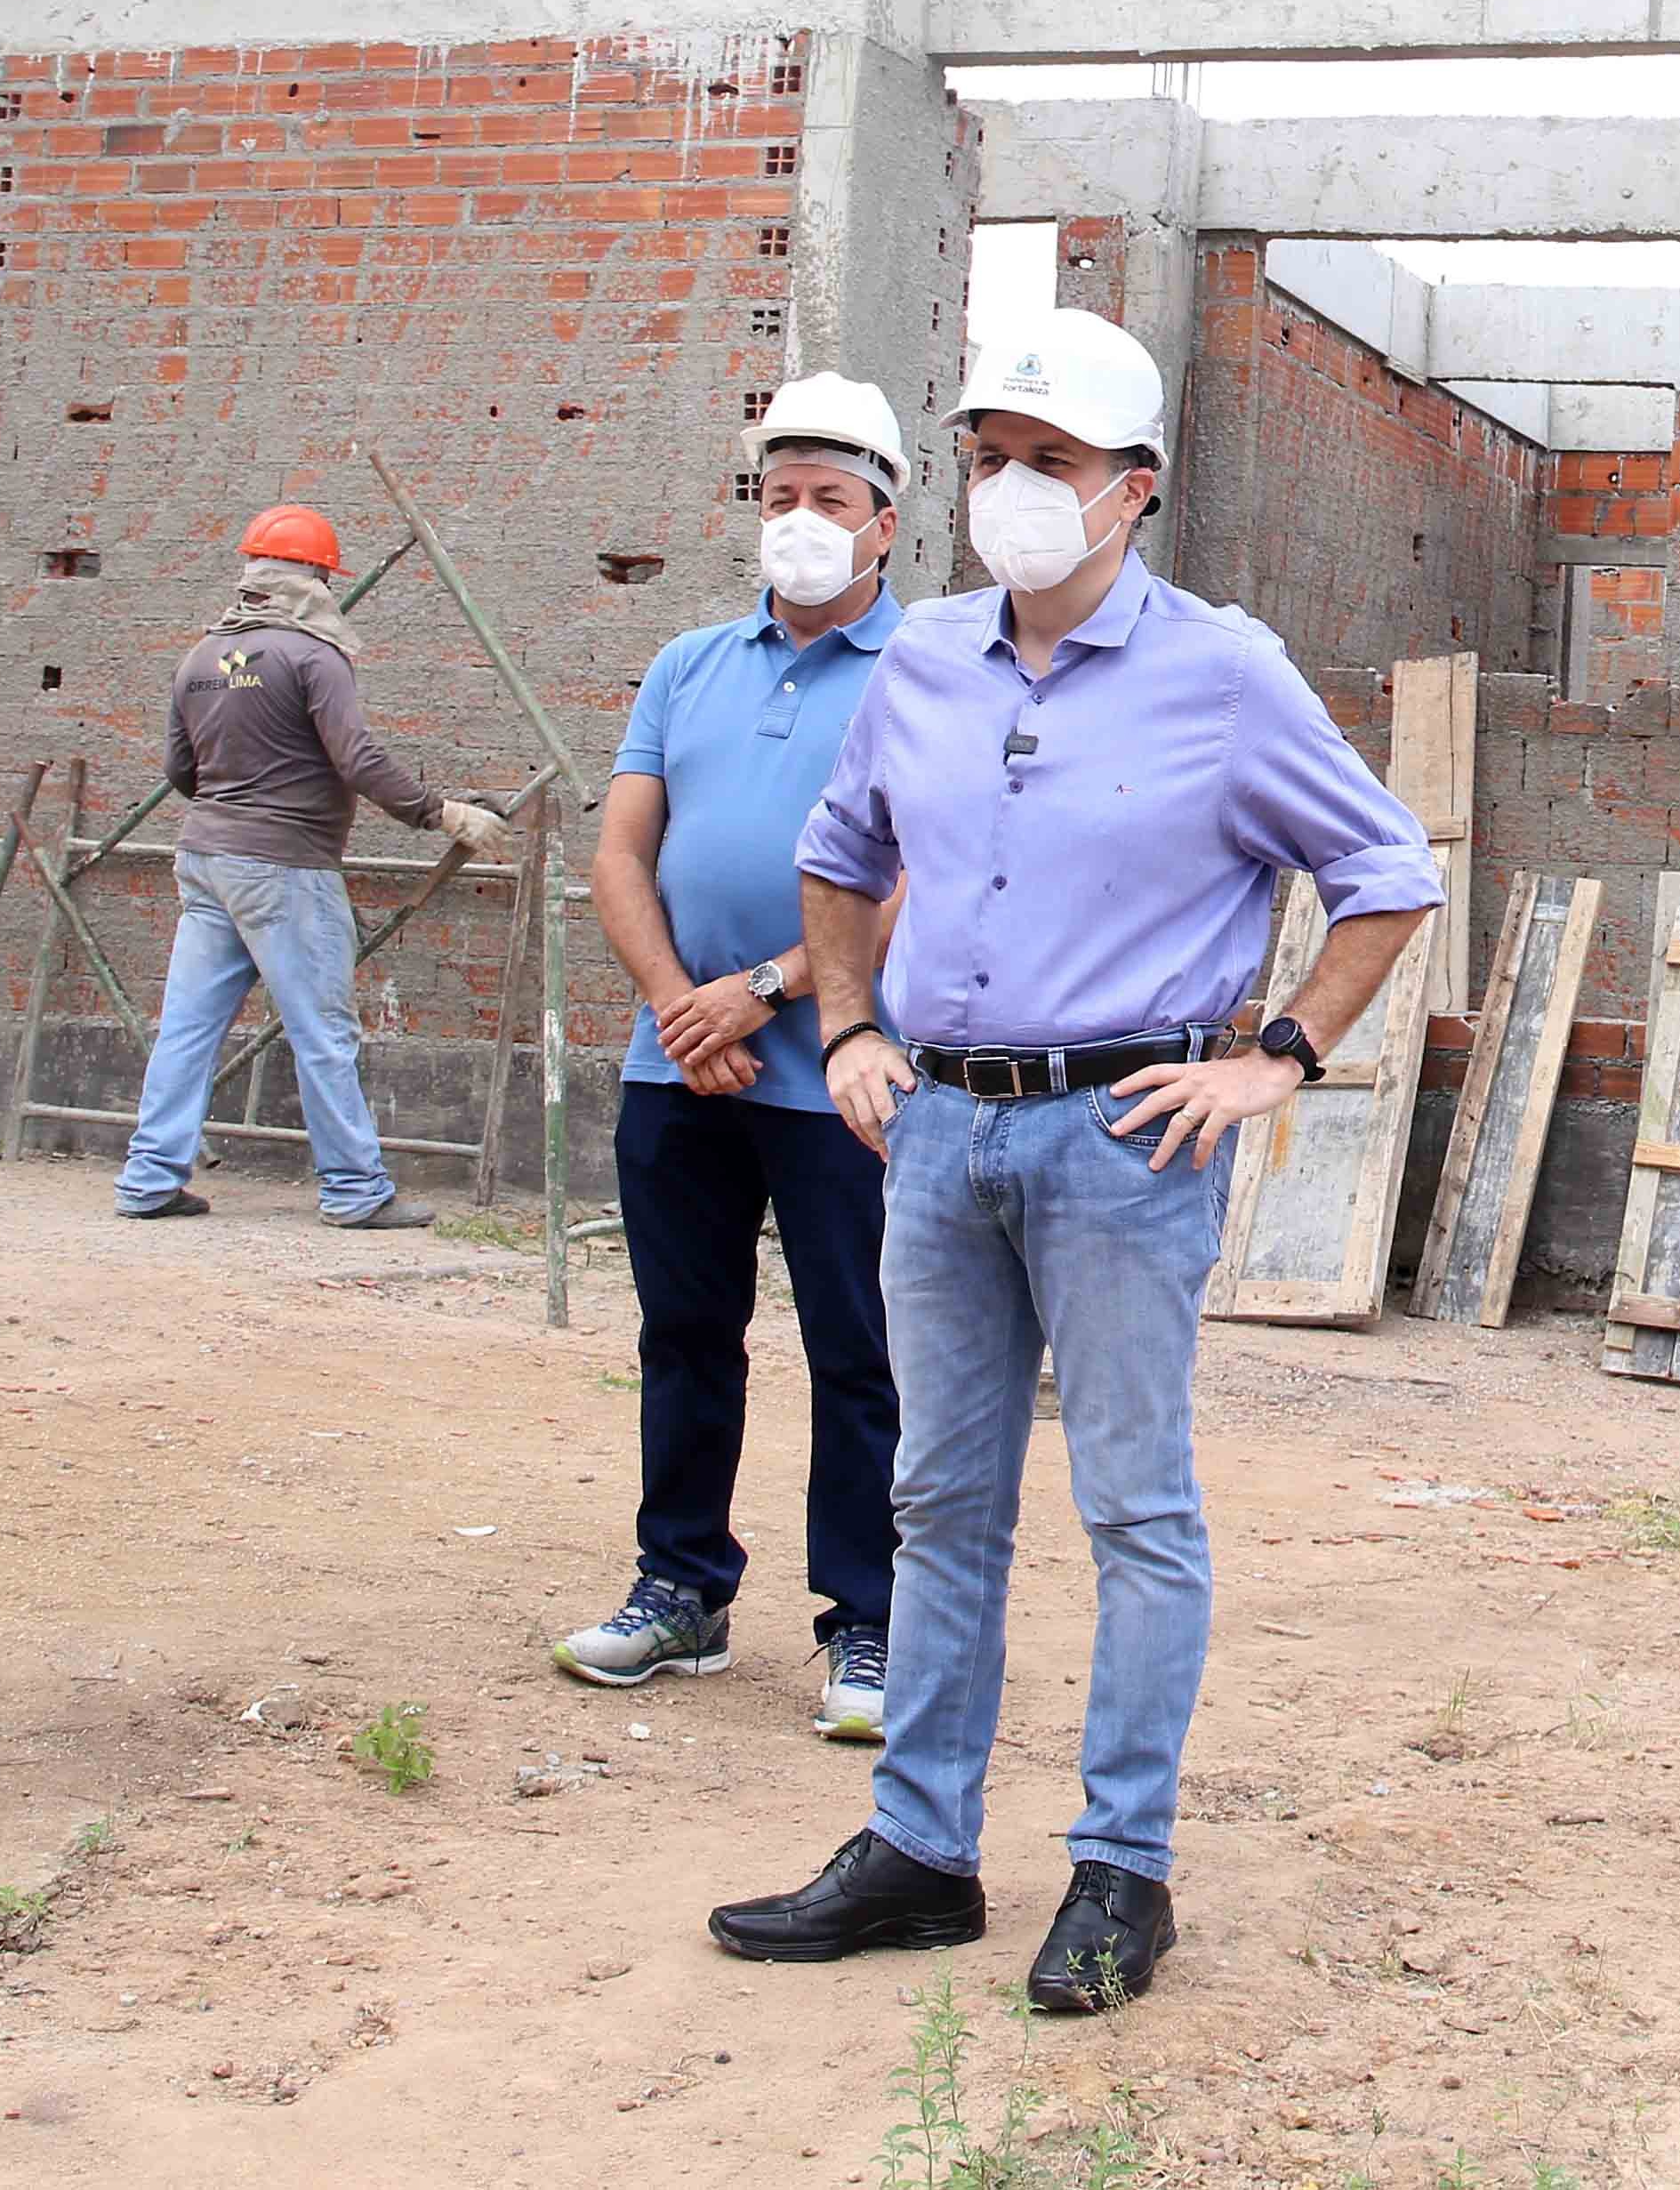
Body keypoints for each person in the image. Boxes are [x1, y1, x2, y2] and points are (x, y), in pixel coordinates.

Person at [702, 308, 1439, 2015]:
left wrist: (1276, 1055)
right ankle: (920, 1849)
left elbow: (1384, 870)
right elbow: (840, 847)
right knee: (938, 1495)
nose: (1012, 489)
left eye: (1051, 461)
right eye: (989, 459)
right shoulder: (928, 656)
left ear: (1134, 488)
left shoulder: (1224, 670)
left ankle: (1124, 1867)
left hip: (1122, 1131)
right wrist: (856, 1028)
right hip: (940, 1123)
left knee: (1135, 1508)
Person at [554, 376, 923, 1743]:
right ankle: (682, 1589)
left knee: (857, 1346)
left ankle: (869, 1623)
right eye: (780, 498)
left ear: (885, 524)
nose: (802, 522)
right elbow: (619, 853)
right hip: (680, 1069)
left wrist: (763, 991)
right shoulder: (687, 665)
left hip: (837, 1065)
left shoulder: (926, 670)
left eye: (831, 500)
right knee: (686, 1331)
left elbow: (919, 874)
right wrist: (675, 1005)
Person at [116, 503, 509, 1228]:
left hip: (205, 859)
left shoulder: (200, 659)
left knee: (188, 1029)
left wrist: (237, 799)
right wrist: (441, 812)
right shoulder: (311, 655)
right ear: (315, 576)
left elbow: (180, 769)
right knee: (323, 1032)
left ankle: (147, 1182)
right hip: (285, 866)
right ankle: (355, 1191)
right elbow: (356, 758)